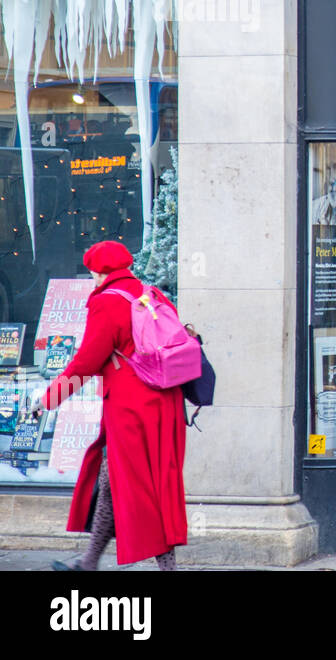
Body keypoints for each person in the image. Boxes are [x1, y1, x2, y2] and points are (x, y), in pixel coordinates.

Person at [33, 240, 187, 571]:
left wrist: (48, 400)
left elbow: (86, 364)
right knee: (118, 481)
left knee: (142, 489)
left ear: (100, 271)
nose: (91, 278)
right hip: (166, 403)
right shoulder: (152, 294)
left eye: (92, 272)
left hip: (133, 409)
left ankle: (168, 569)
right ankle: (89, 561)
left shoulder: (107, 303)